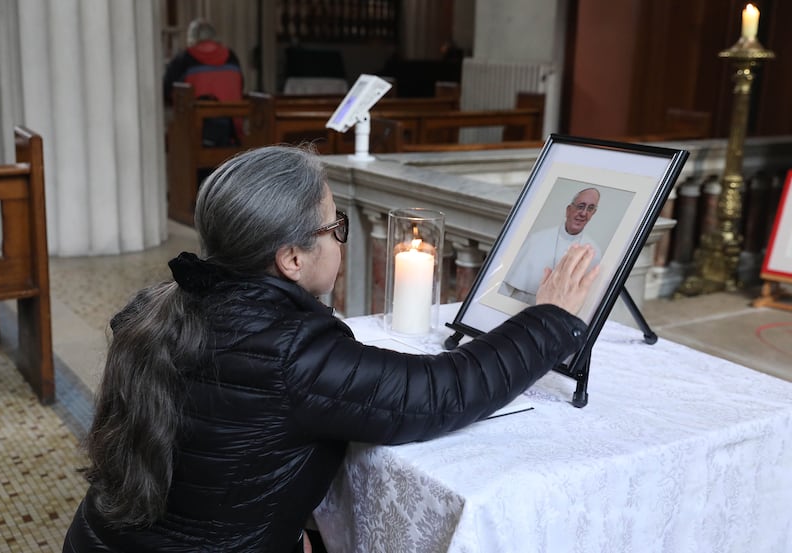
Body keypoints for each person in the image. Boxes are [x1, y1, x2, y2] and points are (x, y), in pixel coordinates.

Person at [62, 145, 599, 553]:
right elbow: (443, 392)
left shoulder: (160, 303)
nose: (342, 239)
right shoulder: (290, 350)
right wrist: (550, 320)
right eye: (335, 226)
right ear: (292, 259)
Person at [500, 187, 603, 304]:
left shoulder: (594, 252)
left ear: (593, 213)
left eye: (590, 209)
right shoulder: (536, 239)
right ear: (568, 210)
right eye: (580, 206)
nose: (584, 213)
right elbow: (505, 289)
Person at [163, 18, 244, 147]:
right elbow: (240, 88)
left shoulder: (183, 59)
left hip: (195, 133)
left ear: (192, 38)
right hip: (232, 132)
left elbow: (167, 92)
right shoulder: (232, 57)